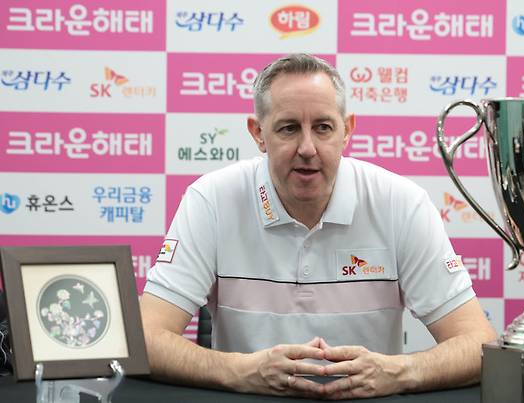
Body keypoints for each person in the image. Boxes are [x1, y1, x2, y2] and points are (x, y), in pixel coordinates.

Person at [140, 53, 497, 399]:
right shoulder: (212, 200)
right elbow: (143, 338)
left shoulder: (400, 203)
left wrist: (397, 372)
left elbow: (478, 344)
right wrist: (242, 371)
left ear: (347, 130)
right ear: (258, 133)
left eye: (323, 128)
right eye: (289, 128)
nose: (308, 148)